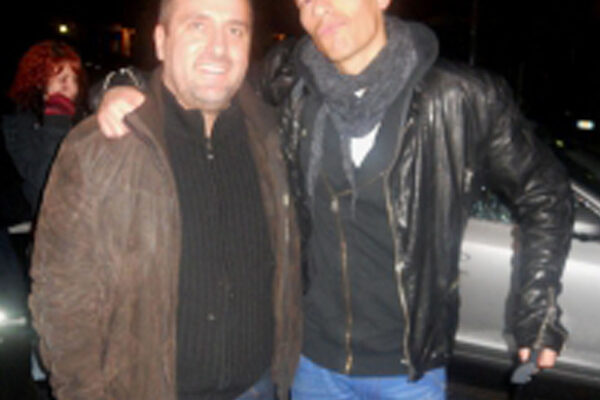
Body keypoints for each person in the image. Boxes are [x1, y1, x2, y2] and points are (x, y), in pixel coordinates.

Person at [96, 0, 574, 398]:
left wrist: (537, 309)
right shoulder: (291, 80)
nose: (318, 9)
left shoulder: (461, 98)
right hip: (312, 363)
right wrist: (121, 84)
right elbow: (200, 82)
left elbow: (546, 193)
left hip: (408, 373)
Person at [28, 0, 302, 399]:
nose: (218, 48)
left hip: (259, 388)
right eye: (197, 26)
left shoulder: (273, 138)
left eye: (235, 30)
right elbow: (63, 297)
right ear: (161, 41)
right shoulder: (99, 148)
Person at [3, 40, 87, 218]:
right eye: (62, 79)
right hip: (51, 219)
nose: (69, 86)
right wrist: (57, 119)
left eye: (74, 79)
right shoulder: (19, 124)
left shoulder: (84, 117)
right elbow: (44, 178)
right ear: (39, 80)